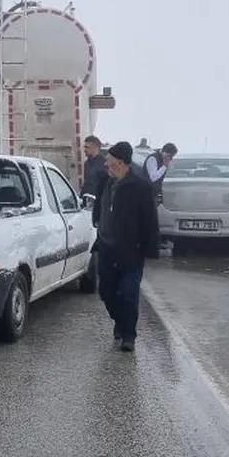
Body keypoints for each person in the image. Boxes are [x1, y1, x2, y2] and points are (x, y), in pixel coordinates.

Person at [94, 141, 159, 352]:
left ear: (121, 163)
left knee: (128, 293)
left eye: (110, 162)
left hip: (130, 250)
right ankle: (120, 322)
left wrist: (150, 249)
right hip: (105, 247)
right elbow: (99, 205)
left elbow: (150, 219)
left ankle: (128, 334)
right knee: (106, 292)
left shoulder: (140, 186)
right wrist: (97, 221)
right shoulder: (106, 181)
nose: (106, 165)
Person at [80, 135, 108, 202]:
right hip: (88, 201)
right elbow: (87, 184)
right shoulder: (87, 163)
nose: (85, 150)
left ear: (95, 148)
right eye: (84, 147)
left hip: (99, 201)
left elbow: (107, 186)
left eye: (87, 147)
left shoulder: (104, 164)